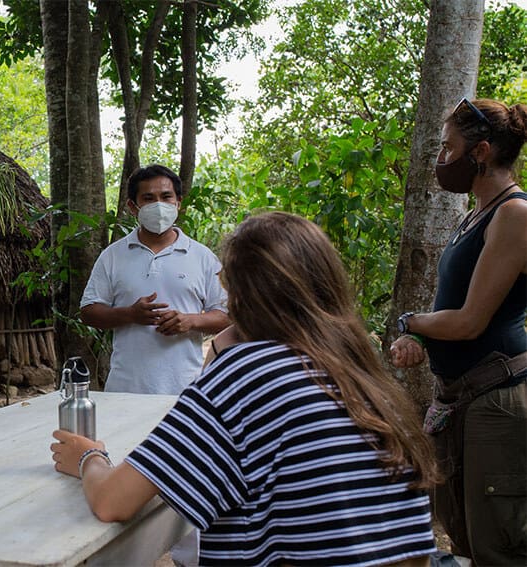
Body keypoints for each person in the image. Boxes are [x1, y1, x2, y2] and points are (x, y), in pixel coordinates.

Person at [54, 211, 439, 566]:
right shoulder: (363, 374)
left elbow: (113, 501)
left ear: (239, 297)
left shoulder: (245, 374)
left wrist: (89, 457)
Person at [391, 98, 527, 565]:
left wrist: (410, 322)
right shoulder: (474, 216)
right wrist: (421, 334)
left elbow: (470, 321)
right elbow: (446, 311)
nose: (442, 159)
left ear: (482, 151)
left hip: (498, 400)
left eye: (449, 148)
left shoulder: (515, 214)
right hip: (459, 400)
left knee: (498, 547)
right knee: (463, 539)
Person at [80, 164, 229, 395]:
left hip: (184, 390)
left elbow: (227, 316)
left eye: (166, 196)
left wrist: (190, 321)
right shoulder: (113, 255)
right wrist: (130, 314)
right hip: (124, 389)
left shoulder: (203, 257)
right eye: (148, 198)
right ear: (132, 206)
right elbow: (88, 311)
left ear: (178, 202)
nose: (159, 205)